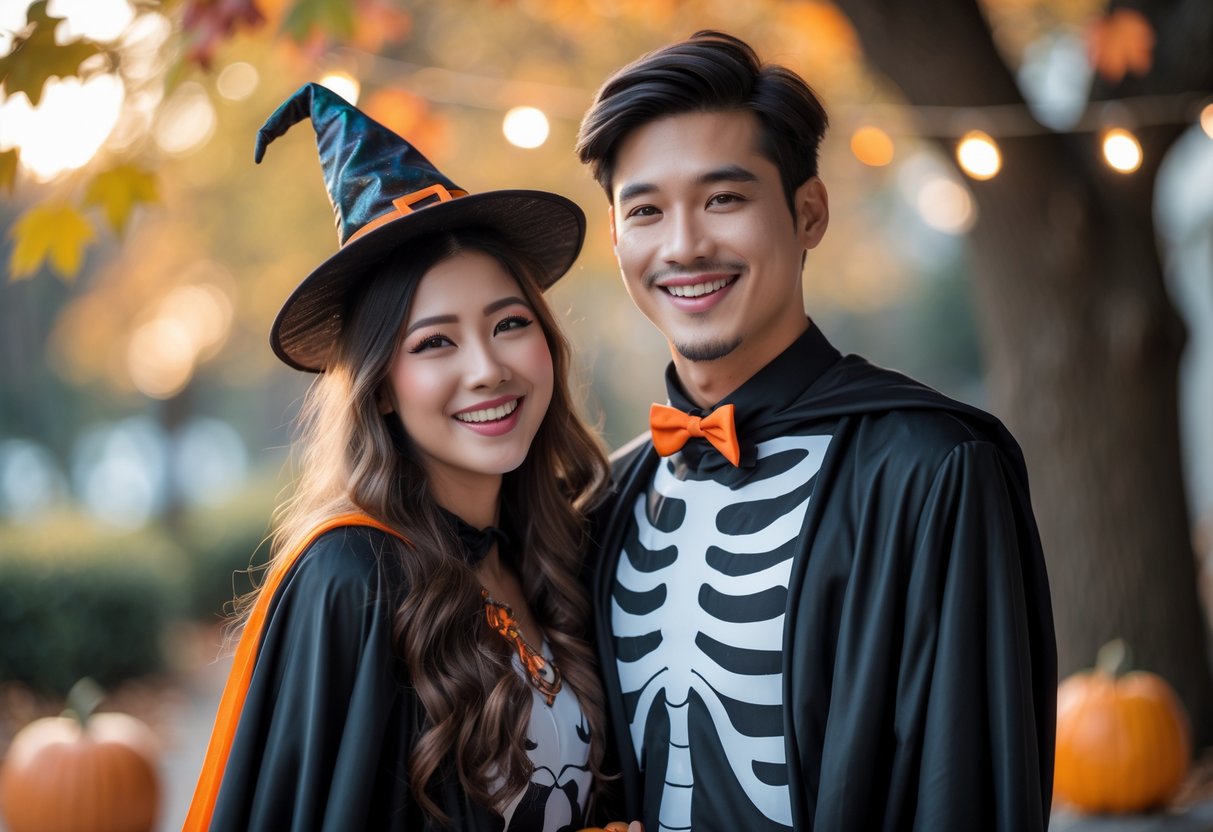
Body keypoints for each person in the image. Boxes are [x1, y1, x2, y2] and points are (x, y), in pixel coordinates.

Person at [575, 30, 1057, 832]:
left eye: (723, 199)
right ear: (618, 239)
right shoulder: (606, 501)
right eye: (647, 210)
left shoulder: (931, 472)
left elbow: (965, 789)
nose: (685, 244)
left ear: (808, 214)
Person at [185, 82, 634, 831]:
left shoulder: (554, 551)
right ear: (381, 388)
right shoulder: (351, 578)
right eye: (434, 343)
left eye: (509, 323)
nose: (487, 368)